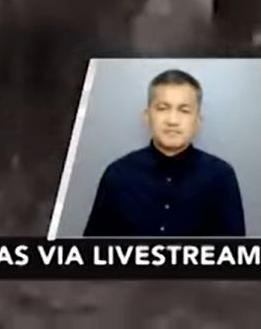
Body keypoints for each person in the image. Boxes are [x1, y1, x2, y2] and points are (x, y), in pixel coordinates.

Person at [83, 69, 246, 237]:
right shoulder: (117, 175)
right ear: (146, 116)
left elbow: (235, 256)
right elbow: (92, 253)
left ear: (197, 121)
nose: (172, 121)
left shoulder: (221, 177)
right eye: (162, 108)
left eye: (184, 110)